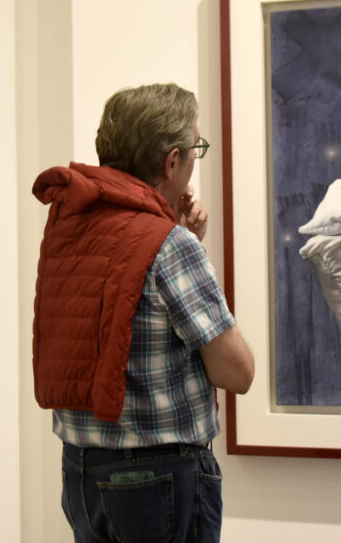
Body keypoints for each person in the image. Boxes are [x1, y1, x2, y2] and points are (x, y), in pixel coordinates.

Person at [32, 83, 254, 542]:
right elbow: (237, 373)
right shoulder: (170, 246)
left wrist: (172, 229)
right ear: (172, 161)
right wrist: (185, 245)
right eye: (195, 150)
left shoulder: (67, 229)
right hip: (158, 478)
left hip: (80, 471)